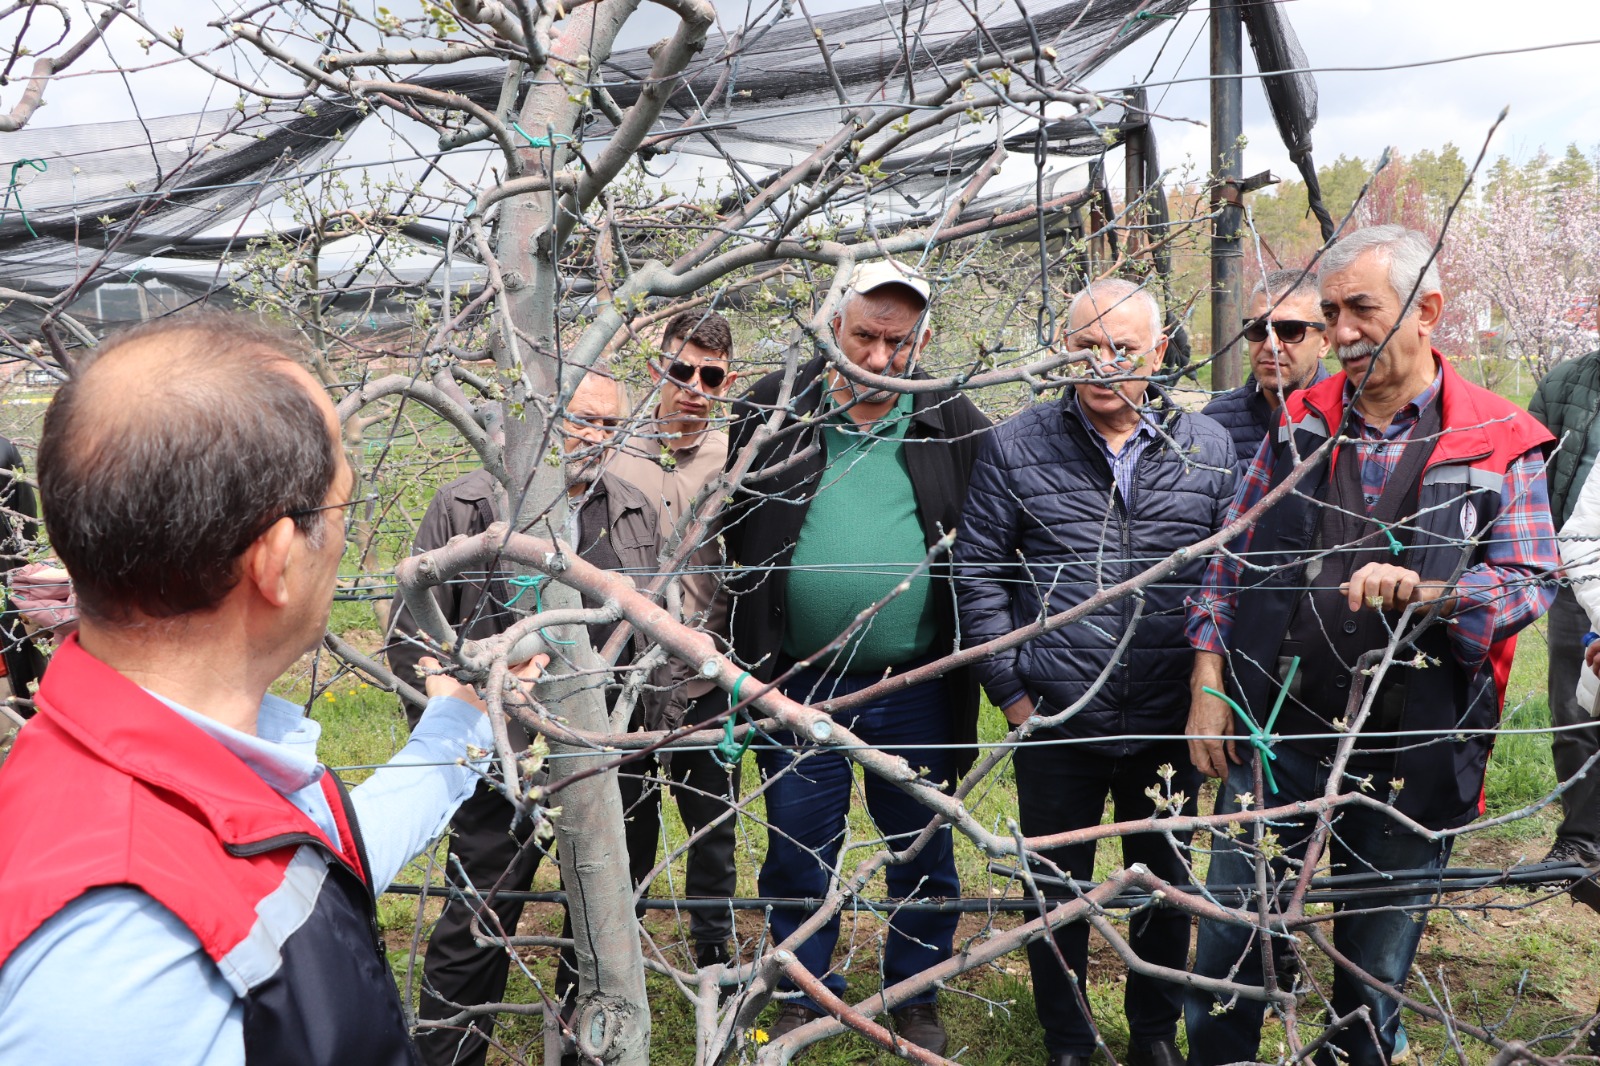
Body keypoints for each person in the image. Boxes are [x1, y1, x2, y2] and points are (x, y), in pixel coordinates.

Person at [0, 313, 509, 1064]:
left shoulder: (170, 762)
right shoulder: (121, 954)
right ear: (274, 560)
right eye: (340, 507)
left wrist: (457, 725)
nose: (341, 537)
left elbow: (304, 874)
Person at [1184, 225, 1558, 1066]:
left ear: (1427, 311)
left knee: (1374, 964)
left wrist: (1436, 592)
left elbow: (1530, 580)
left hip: (1416, 743)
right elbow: (1229, 555)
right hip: (1276, 729)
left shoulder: (1500, 436)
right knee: (1228, 943)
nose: (1342, 332)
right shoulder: (1300, 422)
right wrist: (1209, 677)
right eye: (1331, 312)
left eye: (1363, 309)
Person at [954, 278, 1235, 1066]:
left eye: (1123, 348)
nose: (1103, 363)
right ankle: (1069, 1038)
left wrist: (1205, 692)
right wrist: (1012, 696)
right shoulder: (1015, 444)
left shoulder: (1206, 448)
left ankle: (1152, 1032)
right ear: (1061, 349)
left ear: (1159, 352)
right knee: (1056, 889)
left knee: (1164, 884)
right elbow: (977, 574)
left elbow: (1226, 576)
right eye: (1086, 345)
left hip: (1165, 714)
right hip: (1054, 714)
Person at [721, 260, 990, 1055]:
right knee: (799, 841)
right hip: (799, 680)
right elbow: (735, 528)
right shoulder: (773, 408)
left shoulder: (953, 419)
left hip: (915, 683)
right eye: (863, 337)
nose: (877, 359)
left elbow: (985, 539)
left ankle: (915, 991)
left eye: (897, 343)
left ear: (924, 340)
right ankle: (804, 989)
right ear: (832, 326)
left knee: (920, 841)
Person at [387, 368, 663, 1066]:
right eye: (577, 417)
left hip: (604, 756)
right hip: (493, 758)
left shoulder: (632, 511)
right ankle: (448, 1052)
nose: (591, 435)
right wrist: (472, 701)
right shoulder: (467, 504)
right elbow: (408, 635)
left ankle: (588, 1051)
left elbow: (655, 634)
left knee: (599, 922)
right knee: (477, 919)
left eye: (608, 423)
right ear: (541, 417)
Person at [606, 308, 741, 973]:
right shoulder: (611, 448)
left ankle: (713, 951)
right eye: (679, 368)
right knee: (627, 815)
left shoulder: (736, 456)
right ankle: (616, 941)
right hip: (620, 671)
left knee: (712, 824)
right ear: (657, 366)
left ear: (725, 381)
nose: (692, 385)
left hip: (703, 672)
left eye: (708, 375)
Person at [1530, 345, 1600, 866]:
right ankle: (1581, 837)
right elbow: (1530, 467)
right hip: (1579, 572)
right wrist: (1540, 547)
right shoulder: (1566, 381)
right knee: (1575, 711)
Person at [1203, 267, 1331, 472]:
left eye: (1290, 330)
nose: (1271, 345)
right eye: (1258, 328)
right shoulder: (1215, 422)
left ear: (1324, 342)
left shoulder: (1349, 419)